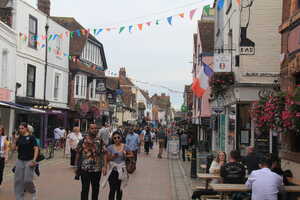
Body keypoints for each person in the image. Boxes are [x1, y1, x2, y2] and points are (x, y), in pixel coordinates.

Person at [75, 124, 105, 200]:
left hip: (97, 169)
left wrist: (104, 166)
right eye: (92, 128)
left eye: (95, 128)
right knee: (85, 189)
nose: (94, 130)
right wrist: (76, 166)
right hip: (85, 169)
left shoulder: (100, 140)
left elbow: (104, 153)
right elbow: (78, 153)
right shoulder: (83, 140)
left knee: (95, 189)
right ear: (89, 129)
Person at [102, 131, 132, 200]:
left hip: (122, 171)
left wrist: (125, 155)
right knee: (112, 190)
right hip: (112, 171)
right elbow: (107, 158)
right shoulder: (110, 147)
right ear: (112, 139)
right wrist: (112, 157)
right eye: (115, 138)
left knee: (119, 190)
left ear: (121, 137)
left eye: (118, 137)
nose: (117, 139)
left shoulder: (125, 146)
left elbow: (131, 154)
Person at [14, 122, 39, 200]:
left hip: (29, 161)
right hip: (20, 161)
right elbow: (14, 149)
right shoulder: (19, 138)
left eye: (22, 128)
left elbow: (36, 149)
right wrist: (15, 139)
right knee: (18, 180)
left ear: (26, 128)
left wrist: (34, 160)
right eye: (19, 128)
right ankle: (19, 197)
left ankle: (33, 191)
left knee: (27, 180)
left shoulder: (32, 137)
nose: (20, 130)